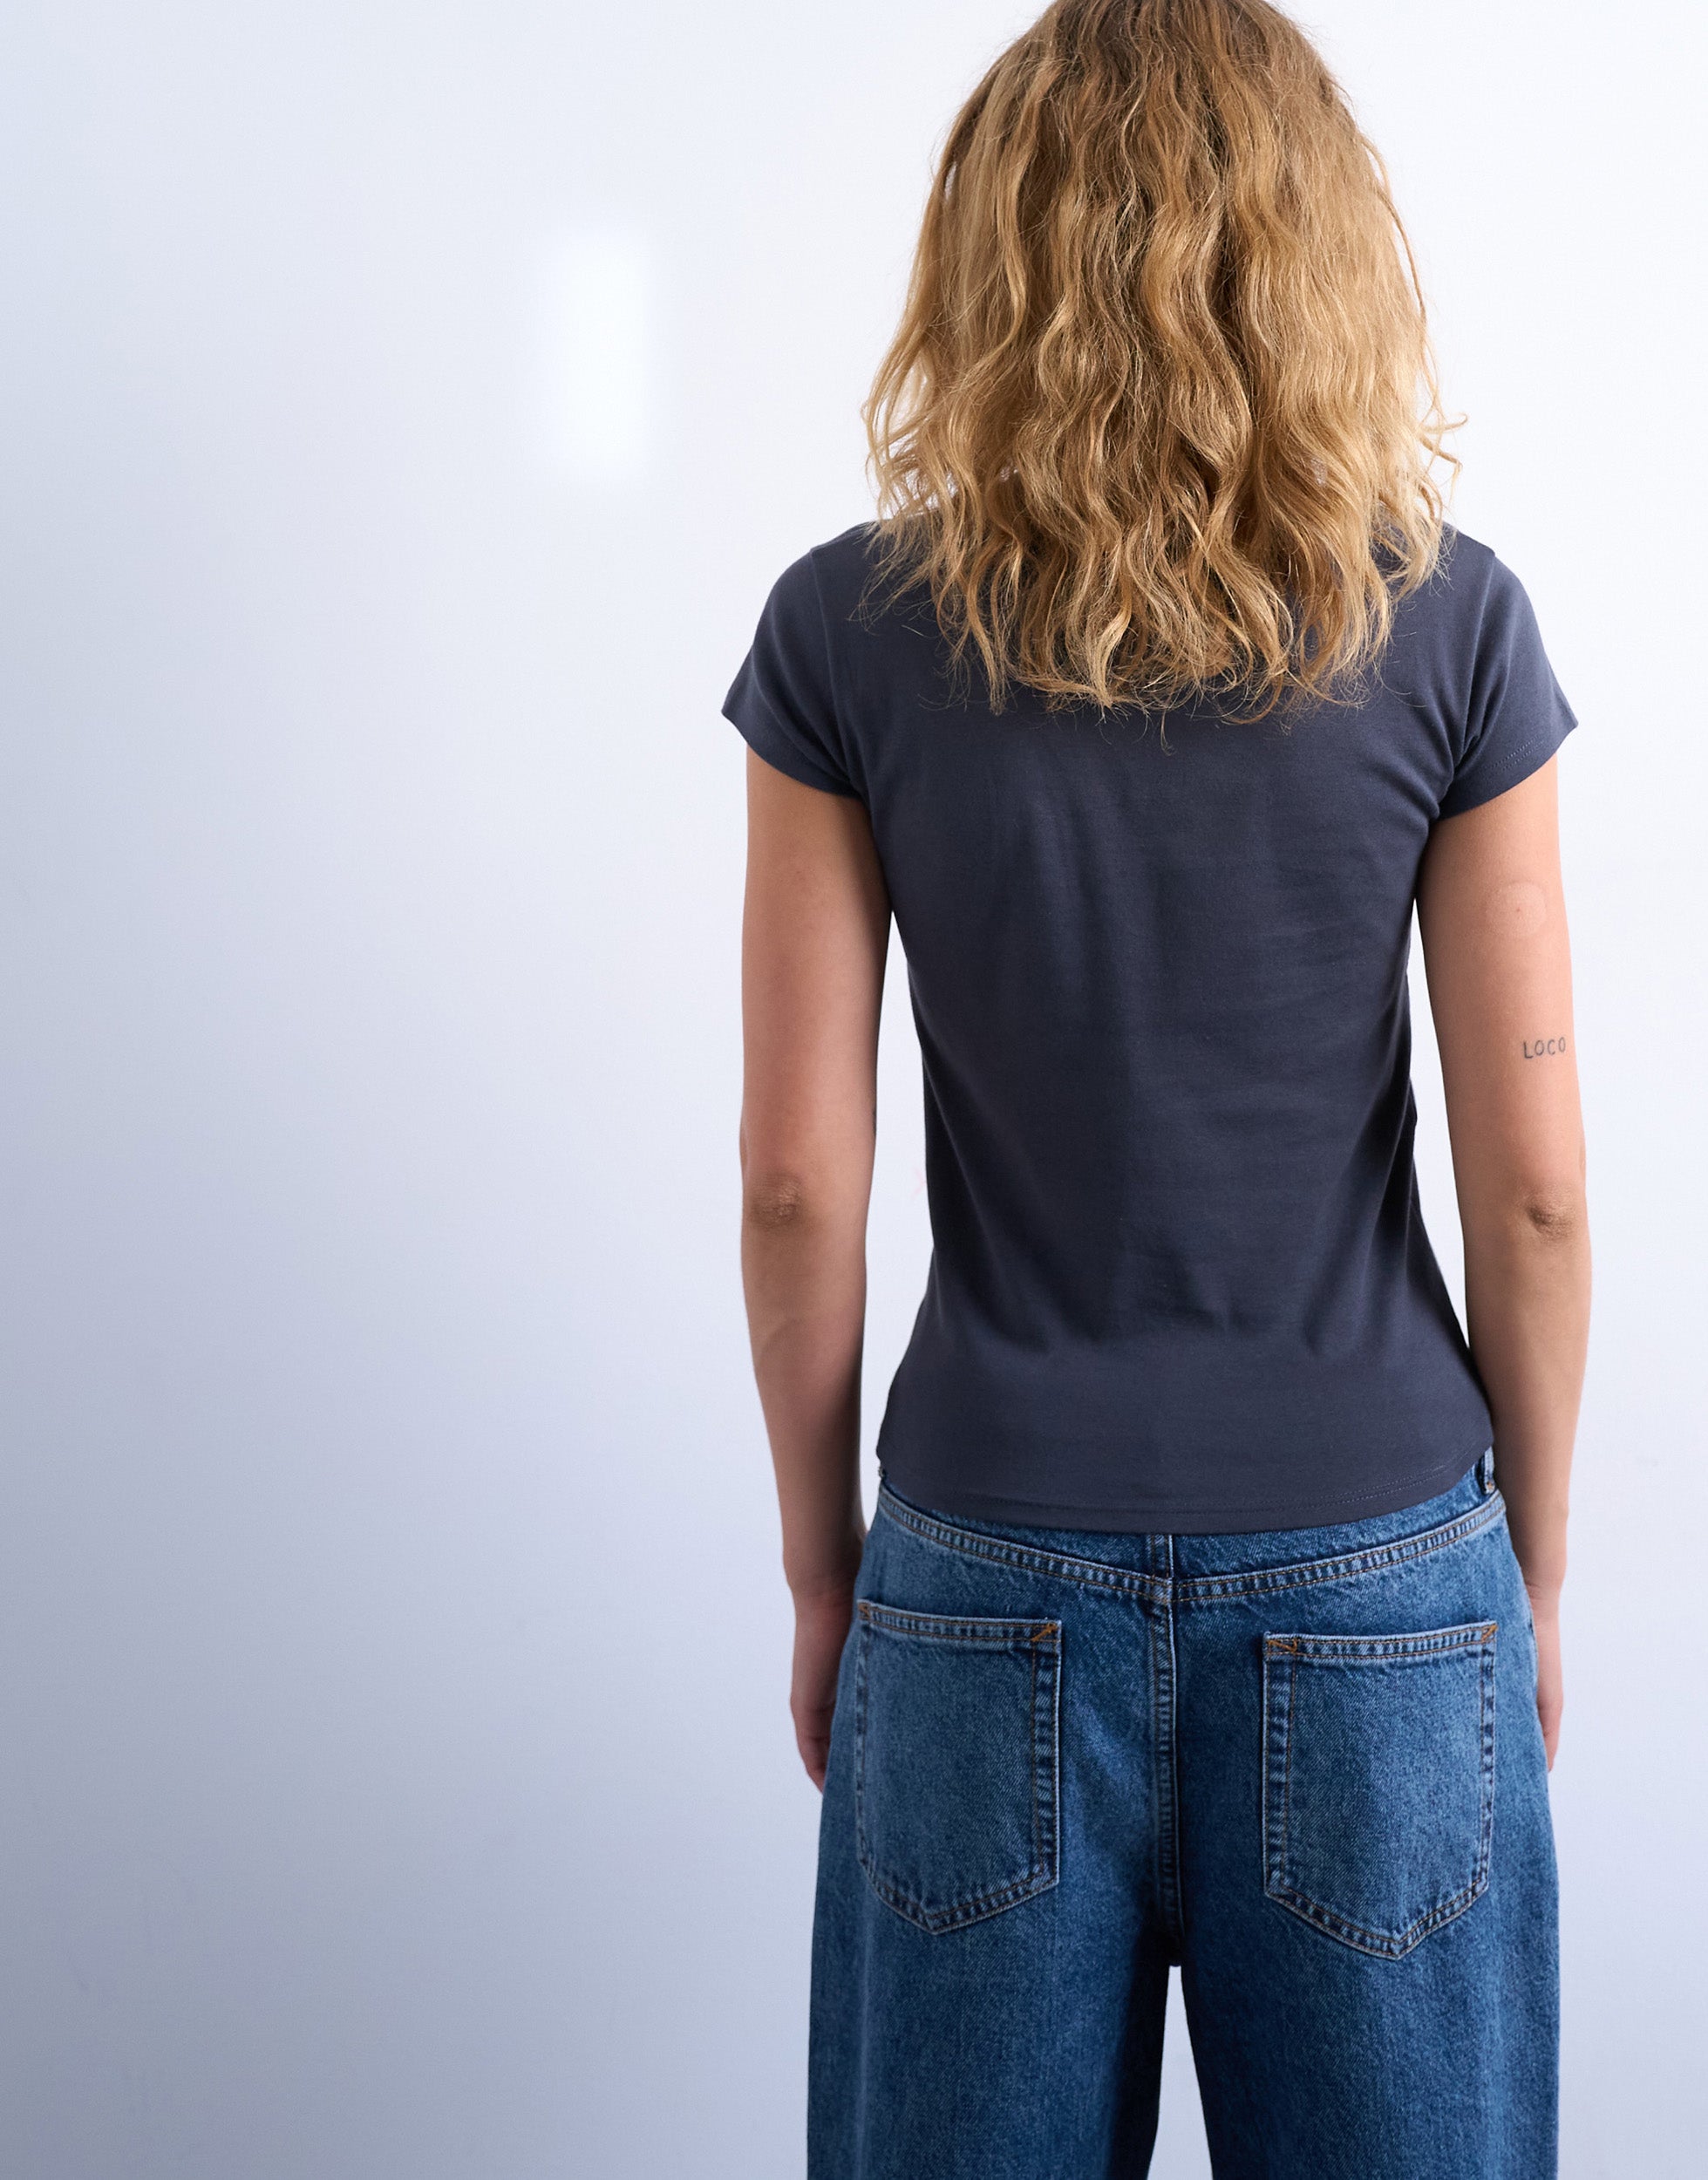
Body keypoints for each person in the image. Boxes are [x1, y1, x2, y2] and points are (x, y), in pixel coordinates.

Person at [721, 3, 1589, 2173]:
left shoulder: (843, 635)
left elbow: (794, 1180)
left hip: (977, 1570)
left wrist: (828, 1575)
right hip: (1377, 1568)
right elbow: (1538, 1187)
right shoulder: (1448, 627)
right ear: (1317, 251)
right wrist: (1528, 1569)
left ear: (987, 252)